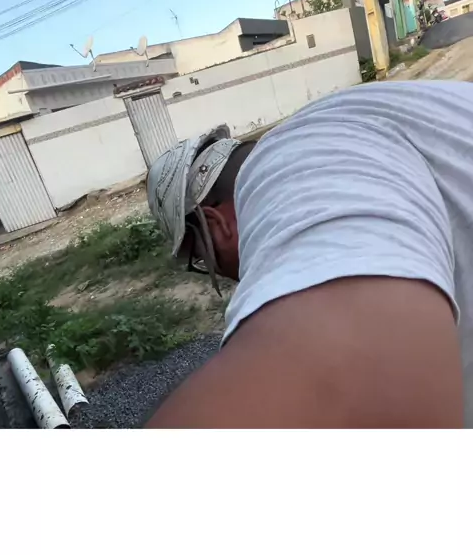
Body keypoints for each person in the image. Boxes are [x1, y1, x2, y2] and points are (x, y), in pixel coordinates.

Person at [144, 79, 473, 429]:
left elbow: (371, 370)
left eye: (202, 259)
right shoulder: (348, 127)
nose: (222, 275)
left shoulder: (293, 165)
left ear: (216, 226)